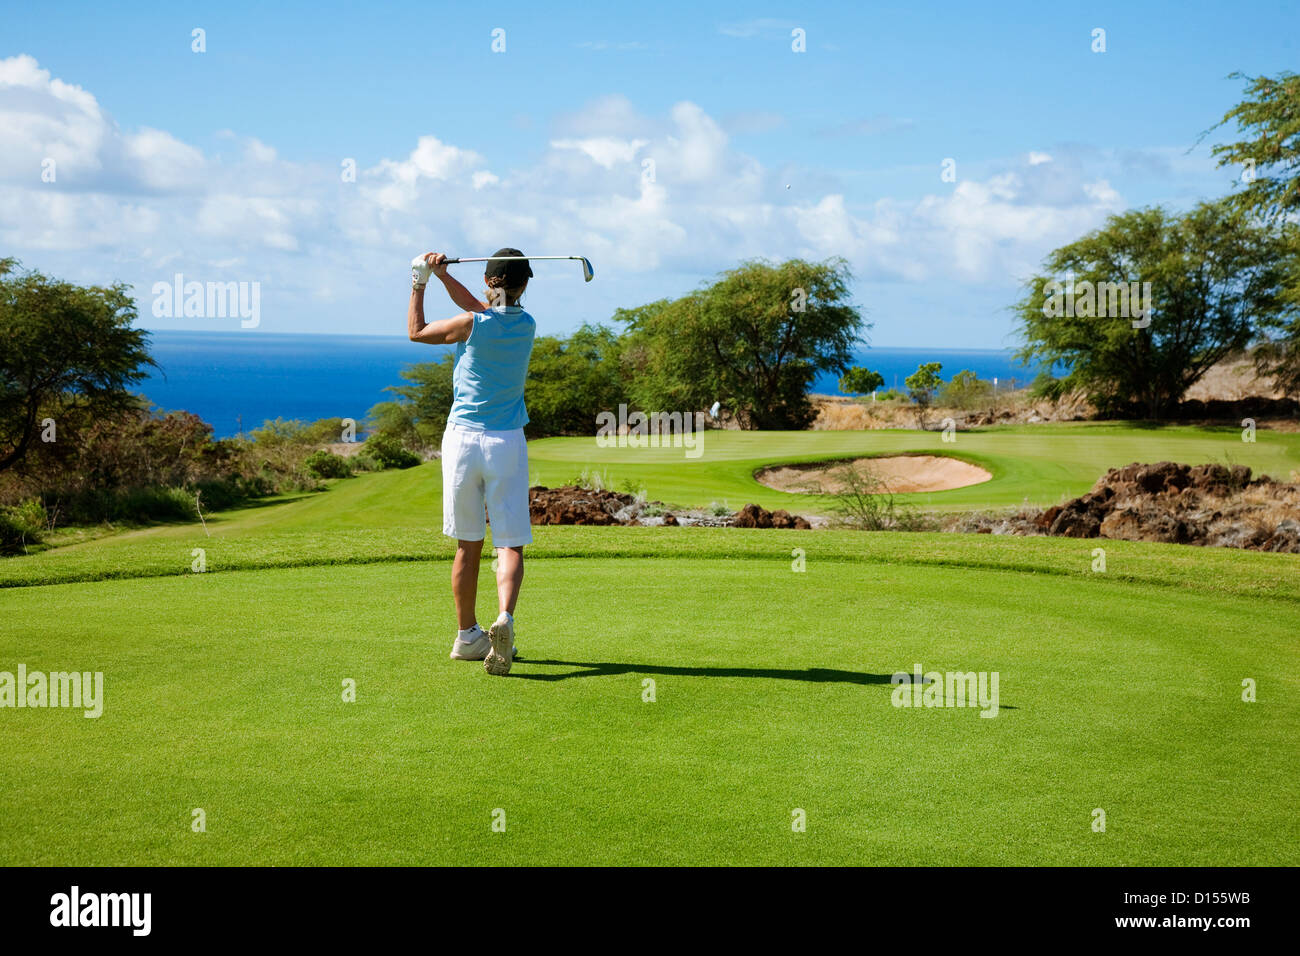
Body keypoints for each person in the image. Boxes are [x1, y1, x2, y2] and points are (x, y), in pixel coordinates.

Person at [409, 248, 537, 676]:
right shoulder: (527, 326)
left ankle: (467, 636)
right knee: (509, 542)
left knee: (468, 544)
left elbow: (417, 331)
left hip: (462, 442)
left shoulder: (471, 325)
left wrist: (421, 280)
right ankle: (505, 619)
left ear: (489, 282)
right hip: (506, 443)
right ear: (523, 286)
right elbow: (486, 308)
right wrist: (445, 278)